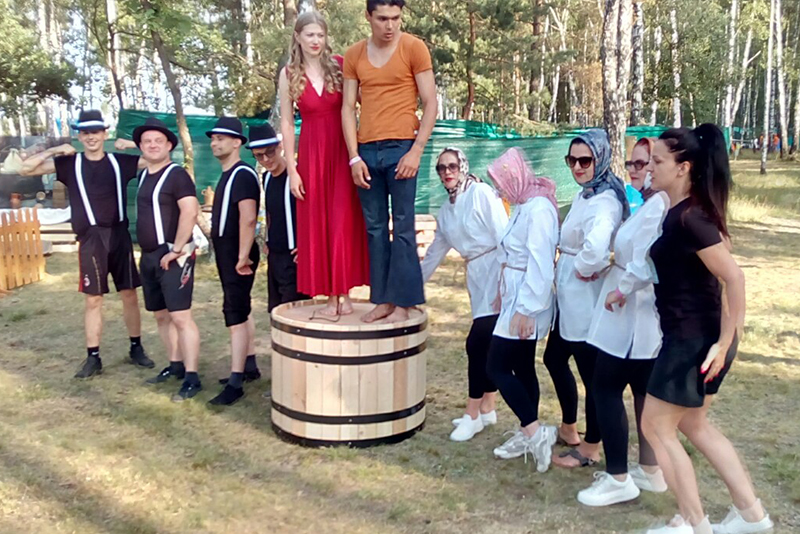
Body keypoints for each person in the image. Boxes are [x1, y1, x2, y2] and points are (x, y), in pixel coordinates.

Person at [641, 125, 773, 534]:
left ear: (683, 167)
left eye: (658, 161)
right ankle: (752, 516)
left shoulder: (691, 218)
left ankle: (695, 525)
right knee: (693, 425)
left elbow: (734, 278)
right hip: (697, 339)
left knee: (655, 426)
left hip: (693, 343)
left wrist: (725, 341)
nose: (648, 167)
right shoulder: (686, 212)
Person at [19, 109, 154, 378]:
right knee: (93, 299)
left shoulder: (119, 161)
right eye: (85, 133)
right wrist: (54, 150)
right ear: (79, 136)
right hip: (91, 238)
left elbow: (159, 157)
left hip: (119, 234)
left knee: (129, 293)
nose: (91, 137)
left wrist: (133, 144)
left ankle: (136, 347)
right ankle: (93, 357)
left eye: (95, 132)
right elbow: (25, 168)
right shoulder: (70, 163)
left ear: (104, 134)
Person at [577, 138, 669, 507]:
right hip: (635, 313)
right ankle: (650, 468)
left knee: (605, 388)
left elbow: (644, 260)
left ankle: (618, 477)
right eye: (630, 163)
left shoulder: (658, 205)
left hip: (631, 313)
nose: (633, 170)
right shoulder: (649, 202)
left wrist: (620, 289)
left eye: (642, 163)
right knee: (642, 391)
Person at [342, 0, 437, 324]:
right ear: (368, 16)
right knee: (375, 228)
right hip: (366, 151)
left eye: (396, 18)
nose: (390, 25)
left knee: (404, 226)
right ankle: (382, 300)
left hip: (402, 148)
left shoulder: (414, 48)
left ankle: (404, 303)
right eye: (382, 18)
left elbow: (430, 102)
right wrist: (353, 157)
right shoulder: (354, 54)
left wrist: (416, 151)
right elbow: (347, 108)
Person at [545, 129, 627, 469]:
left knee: (592, 376)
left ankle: (591, 447)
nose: (577, 167)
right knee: (554, 357)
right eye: (572, 160)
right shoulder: (587, 194)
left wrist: (581, 268)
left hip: (583, 294)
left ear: (600, 159)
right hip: (569, 292)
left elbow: (595, 248)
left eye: (585, 160)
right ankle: (569, 427)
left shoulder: (604, 200)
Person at [279, 11, 370, 317]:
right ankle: (330, 295)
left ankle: (345, 291)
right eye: (310, 35)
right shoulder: (289, 73)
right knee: (318, 223)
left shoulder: (341, 65)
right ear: (298, 37)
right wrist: (292, 169)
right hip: (311, 156)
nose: (316, 41)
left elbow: (362, 104)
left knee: (343, 221)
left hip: (344, 151)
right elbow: (287, 123)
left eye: (320, 35)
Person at [420, 147, 508, 442]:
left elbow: (503, 234)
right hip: (476, 276)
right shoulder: (446, 211)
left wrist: (506, 282)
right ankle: (487, 408)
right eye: (441, 168)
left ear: (463, 166)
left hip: (497, 270)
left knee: (476, 343)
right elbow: (434, 253)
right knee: (488, 344)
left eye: (452, 166)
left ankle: (471, 415)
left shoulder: (480, 193)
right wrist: (412, 289)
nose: (447, 172)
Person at [483, 148, 559, 472]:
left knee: (496, 366)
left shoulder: (538, 209)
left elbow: (541, 263)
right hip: (515, 294)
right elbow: (510, 254)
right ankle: (528, 431)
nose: (499, 190)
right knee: (522, 365)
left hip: (528, 298)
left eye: (501, 183)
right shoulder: (523, 204)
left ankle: (535, 432)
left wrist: (527, 309)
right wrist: (502, 295)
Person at [125, 118, 203, 402]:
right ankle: (175, 364)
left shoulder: (177, 175)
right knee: (161, 315)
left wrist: (178, 248)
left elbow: (190, 211)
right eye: (147, 141)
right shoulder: (144, 175)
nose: (153, 145)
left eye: (158, 140)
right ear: (141, 147)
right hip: (149, 256)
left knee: (181, 317)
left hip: (173, 254)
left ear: (169, 145)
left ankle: (193, 378)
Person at [205, 117, 261, 406]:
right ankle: (249, 366)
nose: (215, 143)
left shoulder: (242, 174)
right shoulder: (228, 174)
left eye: (221, 139)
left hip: (238, 255)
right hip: (229, 253)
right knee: (241, 307)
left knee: (234, 314)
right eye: (213, 139)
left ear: (237, 142)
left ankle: (236, 382)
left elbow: (248, 219)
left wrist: (242, 257)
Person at [249, 124, 309, 312]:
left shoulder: (299, 175)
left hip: (295, 257)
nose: (266, 159)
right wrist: (268, 239)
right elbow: (271, 212)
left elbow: (314, 214)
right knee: (276, 312)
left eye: (270, 152)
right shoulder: (266, 178)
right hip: (274, 256)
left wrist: (308, 244)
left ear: (280, 147)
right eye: (259, 156)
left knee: (295, 313)